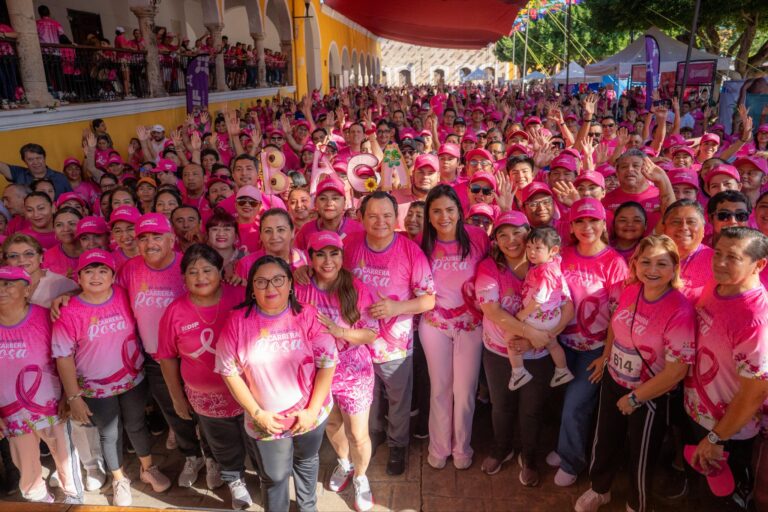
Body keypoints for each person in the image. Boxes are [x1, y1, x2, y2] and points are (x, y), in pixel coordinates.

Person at [575, 235, 695, 512]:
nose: (652, 270)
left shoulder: (680, 310)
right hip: (614, 379)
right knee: (604, 439)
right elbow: (615, 328)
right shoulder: (631, 290)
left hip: (650, 393)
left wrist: (636, 398)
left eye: (662, 264)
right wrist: (606, 358)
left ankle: (637, 504)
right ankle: (599, 489)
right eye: (646, 262)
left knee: (642, 454)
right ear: (636, 264)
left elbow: (678, 370)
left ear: (674, 268)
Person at [215, 255, 337, 512]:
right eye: (261, 282)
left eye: (278, 280)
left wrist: (312, 411)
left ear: (291, 284)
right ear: (252, 288)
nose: (271, 288)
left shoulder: (308, 315)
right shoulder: (237, 323)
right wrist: (257, 413)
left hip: (310, 413)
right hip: (265, 421)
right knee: (275, 475)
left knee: (306, 460)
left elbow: (327, 363)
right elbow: (229, 371)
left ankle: (308, 507)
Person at [52, 250, 170, 506]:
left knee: (137, 425)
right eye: (89, 271)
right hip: (95, 388)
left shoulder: (123, 294)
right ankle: (119, 478)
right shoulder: (68, 311)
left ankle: (147, 468)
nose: (96, 276)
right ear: (79, 277)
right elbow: (63, 357)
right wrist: (73, 397)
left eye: (103, 270)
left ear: (113, 276)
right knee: (109, 433)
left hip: (132, 380)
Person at [340, 192, 435, 476]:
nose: (380, 222)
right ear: (361, 218)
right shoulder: (350, 245)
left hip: (394, 346)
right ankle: (375, 432)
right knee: (370, 396)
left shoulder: (409, 251)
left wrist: (397, 307)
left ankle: (398, 445)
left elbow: (429, 299)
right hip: (357, 344)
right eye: (373, 215)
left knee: (398, 399)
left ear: (397, 218)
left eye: (387, 216)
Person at [116, 213, 212, 488]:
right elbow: (113, 303)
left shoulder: (188, 265)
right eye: (143, 238)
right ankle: (192, 456)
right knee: (175, 412)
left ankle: (214, 458)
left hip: (195, 356)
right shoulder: (130, 269)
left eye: (157, 237)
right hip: (155, 359)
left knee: (204, 413)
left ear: (171, 239)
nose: (150, 244)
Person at [157, 244, 250, 508]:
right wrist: (177, 398)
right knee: (222, 442)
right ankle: (235, 481)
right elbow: (166, 357)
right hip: (205, 397)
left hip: (249, 390)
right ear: (183, 277)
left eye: (207, 270)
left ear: (220, 271)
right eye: (193, 272)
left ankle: (267, 478)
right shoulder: (175, 311)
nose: (201, 277)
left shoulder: (241, 295)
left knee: (255, 440)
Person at [685, 227, 768, 508]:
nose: (718, 263)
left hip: (728, 432)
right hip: (698, 413)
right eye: (717, 253)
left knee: (723, 501)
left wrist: (717, 437)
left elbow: (754, 393)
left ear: (759, 264)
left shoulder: (756, 320)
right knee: (702, 494)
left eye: (732, 257)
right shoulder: (716, 286)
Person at [295, 231, 377, 512]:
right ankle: (344, 464)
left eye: (334, 253)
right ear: (310, 257)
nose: (328, 261)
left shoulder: (356, 287)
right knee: (331, 423)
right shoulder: (301, 285)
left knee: (358, 433)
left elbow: (371, 333)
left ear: (343, 256)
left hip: (354, 368)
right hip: (318, 370)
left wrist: (338, 330)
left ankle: (362, 478)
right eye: (320, 254)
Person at [549, 197, 628, 487]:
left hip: (593, 350)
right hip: (560, 344)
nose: (586, 227)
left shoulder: (614, 263)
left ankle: (572, 462)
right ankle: (563, 447)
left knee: (576, 406)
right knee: (560, 402)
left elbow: (619, 316)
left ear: (603, 223)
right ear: (571, 225)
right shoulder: (563, 254)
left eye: (593, 220)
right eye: (580, 221)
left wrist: (606, 356)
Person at [418, 185, 489, 470]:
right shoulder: (421, 244)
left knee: (465, 389)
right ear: (429, 216)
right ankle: (438, 447)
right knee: (440, 388)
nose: (443, 216)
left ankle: (462, 447)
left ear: (460, 212)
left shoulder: (478, 237)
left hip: (471, 324)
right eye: (436, 211)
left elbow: (492, 272)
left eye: (449, 209)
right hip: (434, 324)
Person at [0, 266, 83, 504]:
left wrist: (69, 396)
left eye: (9, 284)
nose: (2, 290)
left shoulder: (45, 317)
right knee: (27, 468)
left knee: (66, 457)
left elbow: (64, 357)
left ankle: (73, 498)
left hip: (52, 407)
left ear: (27, 290)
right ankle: (38, 502)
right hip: (11, 414)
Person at [509, 227, 574, 390]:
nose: (531, 252)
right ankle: (562, 370)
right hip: (552, 316)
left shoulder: (545, 271)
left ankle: (518, 372)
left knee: (509, 334)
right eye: (529, 247)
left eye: (538, 248)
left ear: (553, 250)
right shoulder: (553, 262)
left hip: (539, 316)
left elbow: (539, 298)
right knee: (553, 345)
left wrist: (523, 314)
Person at [3, 233, 78, 308]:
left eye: (29, 253)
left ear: (41, 257)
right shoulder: (2, 286)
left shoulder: (64, 284)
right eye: (13, 256)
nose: (21, 260)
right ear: (6, 261)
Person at [0, 144, 72, 197]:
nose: (35, 162)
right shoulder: (19, 173)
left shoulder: (60, 178)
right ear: (24, 161)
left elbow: (71, 199)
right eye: (30, 159)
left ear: (44, 158)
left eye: (38, 158)